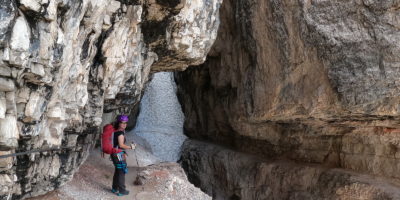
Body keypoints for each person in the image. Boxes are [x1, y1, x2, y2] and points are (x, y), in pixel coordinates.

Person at [110, 115, 135, 196]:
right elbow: (121, 145)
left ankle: (114, 188)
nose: (124, 124)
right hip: (118, 154)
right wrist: (131, 147)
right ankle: (122, 191)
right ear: (118, 123)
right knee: (121, 171)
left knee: (118, 171)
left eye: (125, 123)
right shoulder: (120, 133)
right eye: (122, 123)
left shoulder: (115, 131)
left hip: (114, 153)